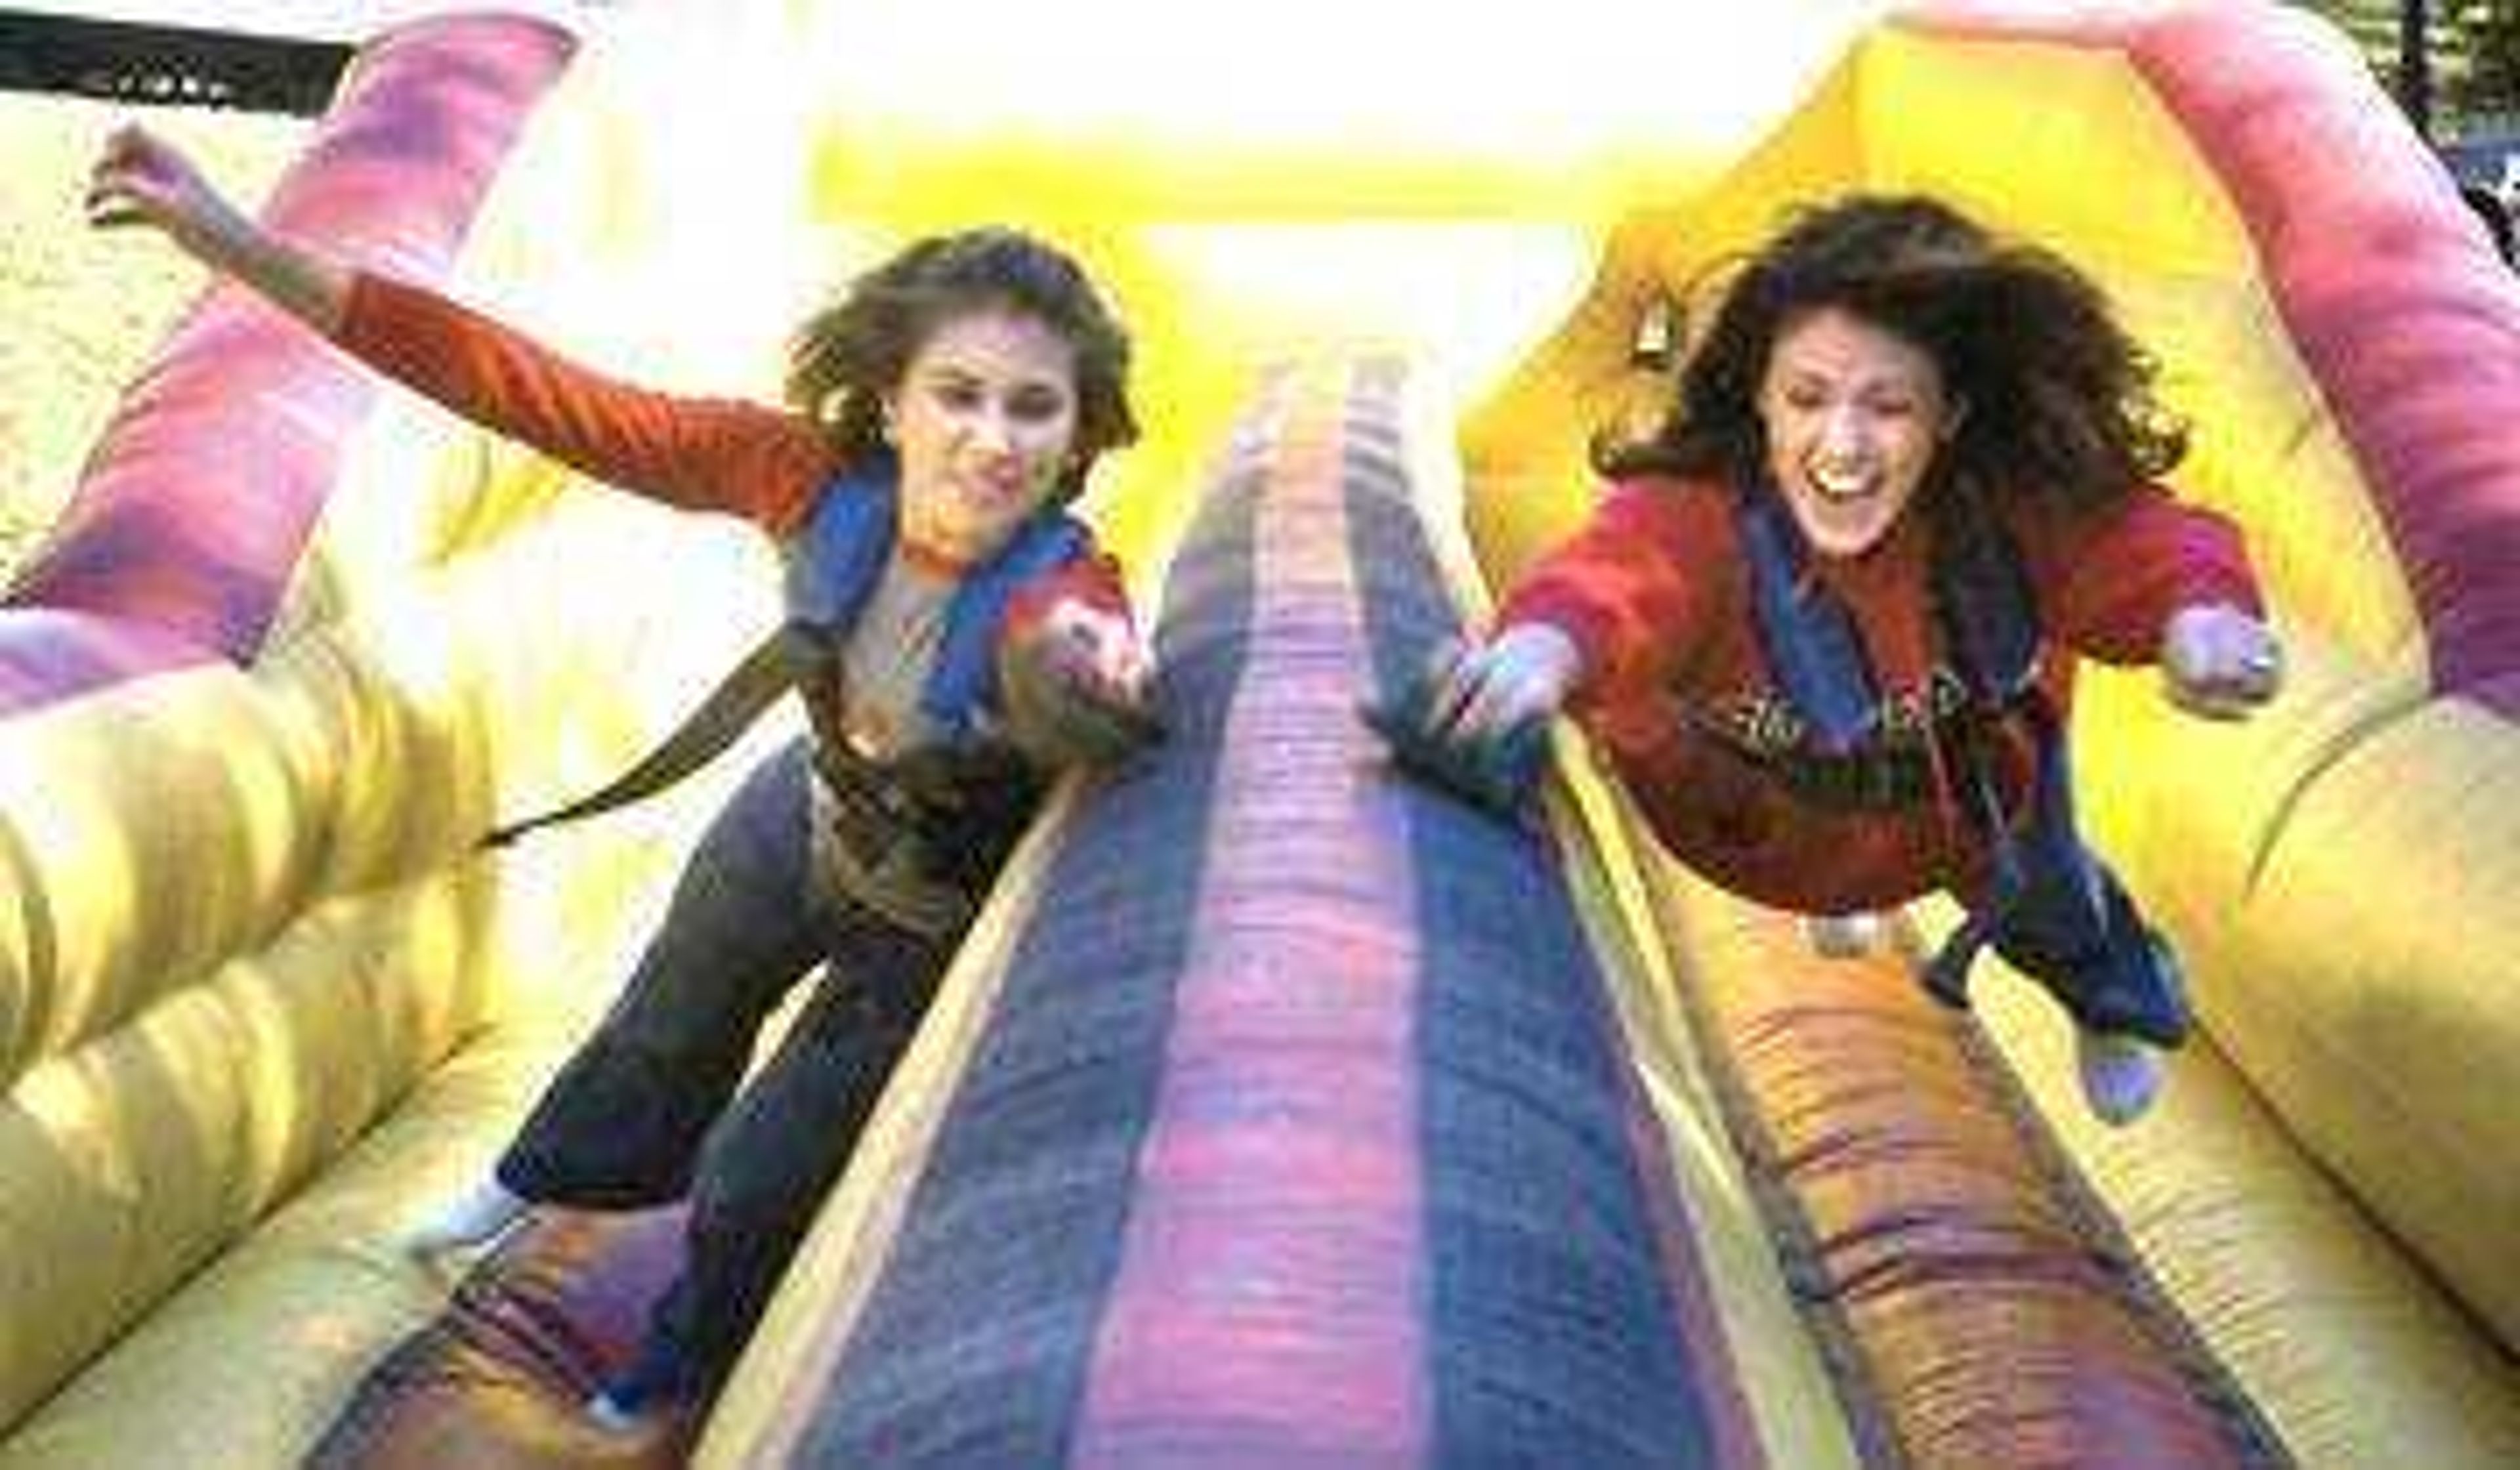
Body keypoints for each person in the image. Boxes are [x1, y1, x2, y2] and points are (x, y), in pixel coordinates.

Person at [86, 123, 1161, 1432]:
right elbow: (530, 389)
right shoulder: (801, 474)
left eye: (1032, 407)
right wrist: (232, 241)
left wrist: (1083, 664)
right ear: (890, 403)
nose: (991, 440)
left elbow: (1081, 639)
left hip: (927, 913)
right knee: (669, 1008)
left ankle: (683, 1360)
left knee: (768, 1171)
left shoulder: (1059, 581)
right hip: (803, 814)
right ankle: (535, 1176)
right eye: (959, 394)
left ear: (1075, 435)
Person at [1377, 193, 2282, 1127]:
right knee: (1663, 683)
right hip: (1747, 812)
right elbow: (1611, 577)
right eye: (1807, 399)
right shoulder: (1701, 514)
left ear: (1952, 415)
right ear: (1759, 397)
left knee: (2060, 903)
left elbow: (2135, 542)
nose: (1841, 446)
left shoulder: (2006, 507)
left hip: (1959, 808)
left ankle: (2109, 1005)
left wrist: (2200, 619)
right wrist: (1535, 655)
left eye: (1889, 407)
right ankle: (1840, 874)